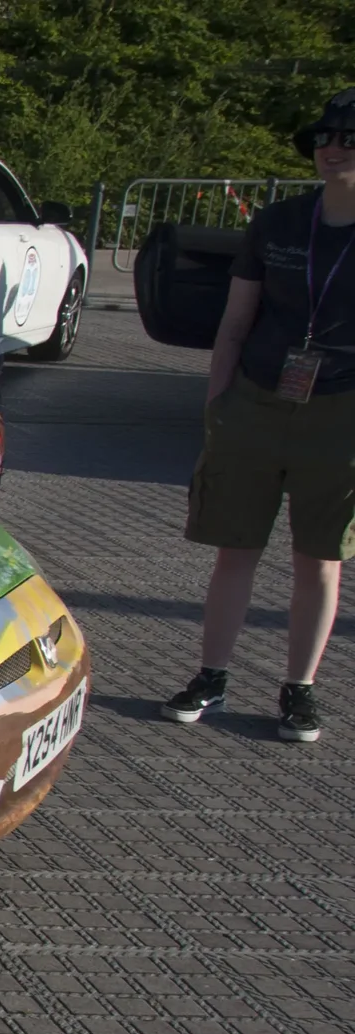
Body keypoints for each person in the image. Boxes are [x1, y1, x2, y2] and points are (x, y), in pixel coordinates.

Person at [163, 88, 355, 742]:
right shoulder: (278, 223)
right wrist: (218, 405)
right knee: (233, 550)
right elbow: (236, 322)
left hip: (340, 415)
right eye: (325, 138)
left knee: (318, 560)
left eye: (348, 139)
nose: (332, 149)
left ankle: (298, 690)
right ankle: (211, 675)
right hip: (254, 403)